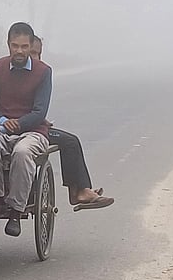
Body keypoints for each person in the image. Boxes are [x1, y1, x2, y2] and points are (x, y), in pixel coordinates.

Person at [29, 35, 114, 212]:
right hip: (24, 129)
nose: (35, 58)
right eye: (32, 53)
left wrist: (40, 118)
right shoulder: (11, 71)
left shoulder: (39, 73)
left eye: (37, 53)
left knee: (71, 140)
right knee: (69, 141)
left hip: (34, 124)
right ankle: (80, 192)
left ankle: (81, 190)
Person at [0, 22, 52, 237]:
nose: (20, 51)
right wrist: (3, 121)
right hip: (2, 128)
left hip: (33, 130)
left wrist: (19, 124)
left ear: (31, 45)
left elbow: (40, 112)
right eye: (15, 46)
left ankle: (16, 210)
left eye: (24, 46)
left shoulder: (43, 72)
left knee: (22, 152)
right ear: (8, 45)